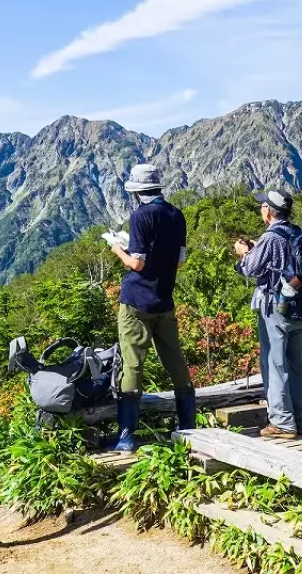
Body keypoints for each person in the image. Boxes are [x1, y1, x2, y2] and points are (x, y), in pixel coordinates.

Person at [109, 163, 195, 452]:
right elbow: (180, 261)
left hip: (136, 301)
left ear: (136, 192)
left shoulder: (140, 216)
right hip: (164, 299)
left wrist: (117, 249)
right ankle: (188, 427)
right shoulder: (176, 215)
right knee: (175, 361)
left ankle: (126, 438)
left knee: (133, 364)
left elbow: (137, 263)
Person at [234, 190, 302, 439]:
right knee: (297, 363)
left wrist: (243, 252)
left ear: (268, 210)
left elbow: (251, 268)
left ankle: (282, 422)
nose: (261, 210)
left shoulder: (270, 237)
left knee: (274, 362)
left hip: (276, 307)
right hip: (298, 306)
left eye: (262, 206)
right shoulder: (295, 231)